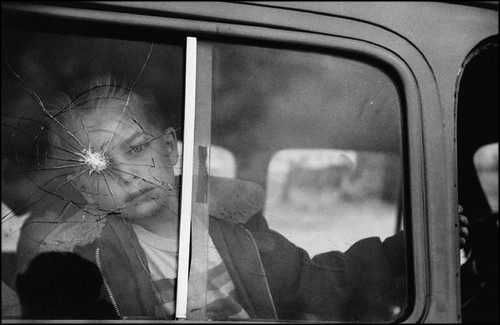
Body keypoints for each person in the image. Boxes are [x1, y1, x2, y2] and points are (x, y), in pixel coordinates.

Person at [15, 75, 469, 321]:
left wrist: (406, 253)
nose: (129, 175)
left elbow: (325, 285)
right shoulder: (87, 262)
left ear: (170, 149)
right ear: (82, 186)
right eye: (98, 165)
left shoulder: (241, 234)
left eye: (136, 149)